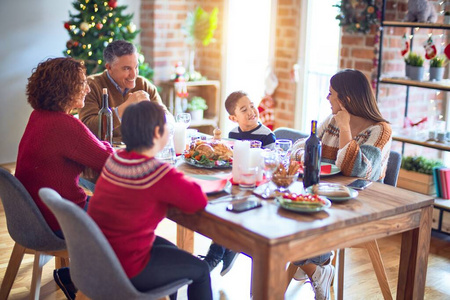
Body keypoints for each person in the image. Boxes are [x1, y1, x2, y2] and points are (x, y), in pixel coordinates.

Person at [87, 101, 212, 300]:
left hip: (101, 255)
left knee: (173, 253)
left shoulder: (115, 159)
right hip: (128, 268)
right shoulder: (156, 172)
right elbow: (197, 201)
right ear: (156, 132)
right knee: (201, 270)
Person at [15, 57, 114, 300]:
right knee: (123, 220)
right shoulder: (65, 125)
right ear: (65, 89)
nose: (88, 89)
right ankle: (91, 283)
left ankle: (75, 276)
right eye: (82, 84)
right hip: (57, 220)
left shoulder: (38, 116)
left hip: (32, 217)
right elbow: (107, 160)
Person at [290, 69, 392, 300]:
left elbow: (358, 171)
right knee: (284, 216)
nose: (327, 98)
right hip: (325, 194)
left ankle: (309, 261)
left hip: (359, 205)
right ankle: (315, 268)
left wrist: (345, 128)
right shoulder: (331, 121)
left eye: (331, 94)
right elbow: (302, 148)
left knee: (296, 222)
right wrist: (303, 154)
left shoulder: (380, 131)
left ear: (346, 99)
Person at [201, 91, 277, 276]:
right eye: (244, 109)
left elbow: (269, 169)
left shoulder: (268, 137)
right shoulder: (232, 134)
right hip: (237, 186)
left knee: (228, 209)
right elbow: (230, 162)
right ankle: (225, 248)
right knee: (217, 207)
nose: (252, 111)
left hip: (257, 190)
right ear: (233, 118)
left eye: (252, 105)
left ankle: (215, 254)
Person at [79, 40, 171, 142]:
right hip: (106, 152)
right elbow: (86, 128)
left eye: (136, 67)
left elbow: (167, 120)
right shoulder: (91, 86)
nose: (134, 75)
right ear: (109, 67)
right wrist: (124, 108)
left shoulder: (144, 85)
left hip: (141, 150)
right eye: (127, 69)